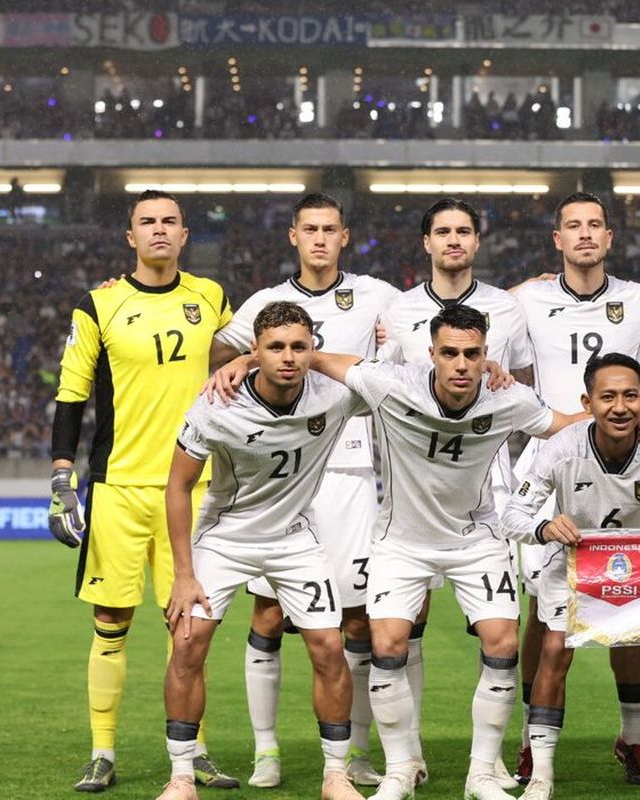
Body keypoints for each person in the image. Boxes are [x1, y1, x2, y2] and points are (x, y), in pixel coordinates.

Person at [300, 304, 590, 800]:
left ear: (486, 355)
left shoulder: (508, 398)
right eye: (450, 353)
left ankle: (481, 774)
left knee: (502, 642)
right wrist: (244, 361)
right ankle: (400, 770)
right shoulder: (392, 384)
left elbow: (564, 424)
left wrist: (633, 415)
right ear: (431, 353)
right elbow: (315, 357)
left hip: (476, 540)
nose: (461, 364)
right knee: (387, 643)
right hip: (402, 542)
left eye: (472, 354)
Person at [48, 189, 238, 793]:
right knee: (111, 620)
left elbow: (253, 352)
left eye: (170, 221)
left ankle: (194, 749)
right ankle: (102, 751)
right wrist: (61, 477)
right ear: (131, 237)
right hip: (120, 487)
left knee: (190, 628)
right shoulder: (99, 304)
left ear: (185, 235)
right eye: (147, 222)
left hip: (195, 486)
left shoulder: (210, 298)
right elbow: (71, 394)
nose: (159, 229)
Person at [210, 192, 398, 788]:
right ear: (293, 236)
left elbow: (432, 322)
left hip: (352, 472)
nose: (320, 239)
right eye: (309, 229)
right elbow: (219, 354)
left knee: (356, 621)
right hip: (284, 478)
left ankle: (355, 752)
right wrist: (237, 362)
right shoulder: (265, 303)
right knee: (268, 614)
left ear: (345, 236)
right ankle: (266, 751)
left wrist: (519, 295)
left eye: (330, 229)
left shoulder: (378, 295)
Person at [157, 301, 364, 800]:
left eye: (299, 347)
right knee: (188, 643)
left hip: (294, 538)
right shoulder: (216, 405)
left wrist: (310, 359)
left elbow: (383, 374)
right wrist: (184, 575)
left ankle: (335, 775)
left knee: (329, 647)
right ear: (255, 350)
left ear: (313, 348)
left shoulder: (335, 395)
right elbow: (177, 487)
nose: (288, 357)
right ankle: (181, 777)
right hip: (226, 538)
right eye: (275, 347)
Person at [501, 353, 640, 800]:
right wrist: (544, 528)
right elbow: (512, 515)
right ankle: (541, 775)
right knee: (553, 651)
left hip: (638, 561)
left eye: (630, 396)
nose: (620, 407)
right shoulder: (561, 448)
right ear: (588, 403)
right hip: (573, 559)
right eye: (607, 397)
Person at [510, 191, 640, 786]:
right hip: (553, 463)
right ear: (557, 239)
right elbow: (477, 323)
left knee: (627, 598)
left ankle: (633, 737)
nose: (584, 234)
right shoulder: (526, 299)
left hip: (622, 461)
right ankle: (533, 739)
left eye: (595, 225)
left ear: (609, 237)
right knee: (540, 609)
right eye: (572, 225)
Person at [377, 197, 533, 787]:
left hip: (485, 481)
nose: (453, 240)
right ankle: (409, 755)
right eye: (442, 231)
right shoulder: (398, 310)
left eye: (463, 231)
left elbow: (519, 381)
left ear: (476, 241)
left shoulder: (508, 308)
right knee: (405, 625)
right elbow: (383, 381)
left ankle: (487, 761)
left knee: (493, 629)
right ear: (426, 243)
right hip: (415, 487)